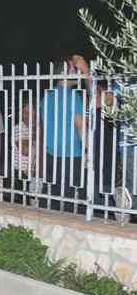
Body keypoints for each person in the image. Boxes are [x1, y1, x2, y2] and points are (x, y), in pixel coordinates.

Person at [41, 55, 88, 211]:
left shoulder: (46, 96)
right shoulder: (73, 96)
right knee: (73, 202)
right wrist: (88, 151)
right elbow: (81, 126)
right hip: (72, 156)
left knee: (53, 198)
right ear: (66, 72)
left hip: (51, 155)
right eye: (75, 69)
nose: (78, 72)